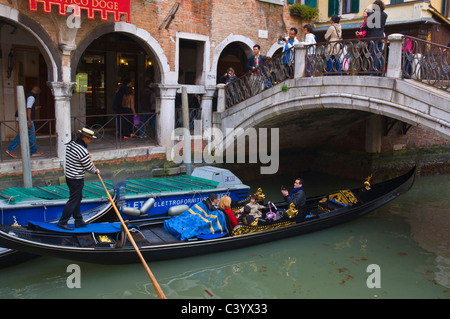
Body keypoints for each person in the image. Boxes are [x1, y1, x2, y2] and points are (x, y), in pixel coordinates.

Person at [57, 128, 99, 230]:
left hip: (69, 177)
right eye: (89, 140)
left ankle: (78, 220)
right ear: (85, 138)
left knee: (77, 199)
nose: (90, 142)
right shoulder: (82, 150)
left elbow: (79, 158)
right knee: (74, 200)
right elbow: (88, 166)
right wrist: (95, 171)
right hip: (76, 178)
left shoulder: (71, 145)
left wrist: (86, 157)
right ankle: (62, 222)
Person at [5, 86, 43, 158]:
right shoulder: (32, 97)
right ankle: (33, 151)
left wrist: (35, 108)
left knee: (23, 135)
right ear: (37, 92)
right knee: (30, 134)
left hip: (21, 117)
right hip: (25, 119)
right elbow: (28, 108)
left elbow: (27, 107)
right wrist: (29, 121)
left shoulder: (26, 95)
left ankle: (33, 151)